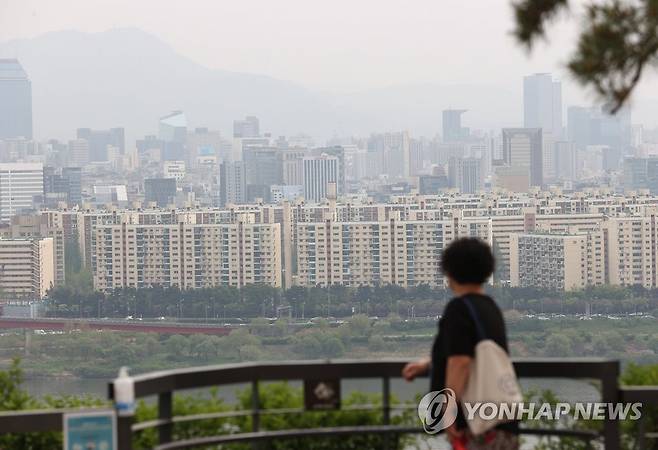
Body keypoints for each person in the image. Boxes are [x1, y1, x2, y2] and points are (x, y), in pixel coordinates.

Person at [402, 237, 519, 450]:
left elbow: (461, 361)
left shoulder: (459, 309)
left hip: (477, 425)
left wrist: (448, 411)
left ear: (450, 273)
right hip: (501, 419)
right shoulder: (490, 307)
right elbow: (473, 351)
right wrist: (429, 364)